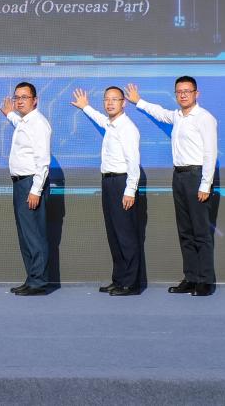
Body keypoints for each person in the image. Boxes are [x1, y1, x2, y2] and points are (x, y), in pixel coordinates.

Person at [126, 78, 218, 296]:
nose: (183, 95)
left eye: (187, 91)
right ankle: (191, 277)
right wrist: (139, 101)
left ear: (196, 93)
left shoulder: (205, 118)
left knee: (201, 231)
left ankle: (205, 281)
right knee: (185, 231)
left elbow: (210, 153)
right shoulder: (177, 116)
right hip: (179, 176)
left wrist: (205, 184)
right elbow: (160, 113)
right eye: (179, 92)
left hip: (196, 176)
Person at [72, 87, 142, 296]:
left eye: (115, 99)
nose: (110, 103)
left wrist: (130, 190)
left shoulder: (127, 128)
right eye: (107, 100)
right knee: (114, 234)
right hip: (109, 182)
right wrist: (85, 107)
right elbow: (100, 119)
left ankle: (130, 284)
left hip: (122, 183)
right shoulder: (111, 124)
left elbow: (133, 162)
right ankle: (119, 279)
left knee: (126, 235)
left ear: (124, 103)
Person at [0, 82, 52, 296]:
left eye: (24, 97)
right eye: (17, 97)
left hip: (31, 184)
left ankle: (39, 282)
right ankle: (32, 278)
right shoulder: (24, 121)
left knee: (34, 234)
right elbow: (19, 123)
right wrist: (9, 115)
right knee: (26, 235)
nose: (19, 101)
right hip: (20, 183)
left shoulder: (39, 124)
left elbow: (43, 161)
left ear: (35, 100)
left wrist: (36, 190)